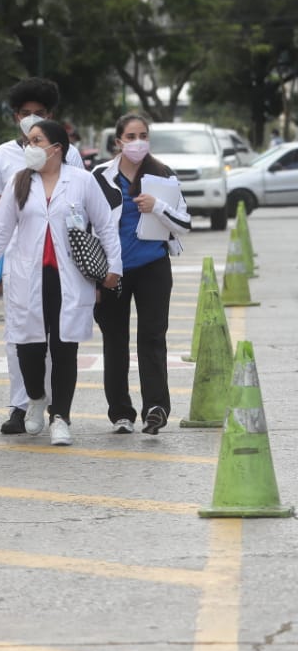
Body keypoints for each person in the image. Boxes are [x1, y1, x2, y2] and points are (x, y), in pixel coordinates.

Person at [0, 120, 122, 447]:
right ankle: (35, 397)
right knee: (29, 348)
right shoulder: (19, 182)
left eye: (36, 140)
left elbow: (105, 226)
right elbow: (0, 231)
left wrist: (113, 268)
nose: (29, 146)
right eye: (27, 141)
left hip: (69, 277)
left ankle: (60, 416)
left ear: (56, 148)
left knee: (65, 348)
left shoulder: (82, 181)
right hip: (27, 277)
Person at [0, 77, 86, 435]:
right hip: (18, 259)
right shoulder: (1, 157)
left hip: (60, 262)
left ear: (50, 115)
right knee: (20, 339)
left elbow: (82, 207)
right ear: (15, 116)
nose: (30, 120)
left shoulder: (66, 153)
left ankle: (59, 409)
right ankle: (21, 404)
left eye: (38, 115)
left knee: (60, 339)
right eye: (24, 114)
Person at [92, 113, 191, 435]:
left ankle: (156, 408)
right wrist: (92, 275)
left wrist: (158, 207)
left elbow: (185, 224)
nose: (138, 142)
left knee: (152, 338)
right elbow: (83, 224)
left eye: (143, 135)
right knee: (115, 341)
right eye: (131, 136)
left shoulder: (163, 175)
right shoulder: (99, 177)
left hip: (153, 267)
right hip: (112, 272)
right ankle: (121, 412)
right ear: (118, 141)